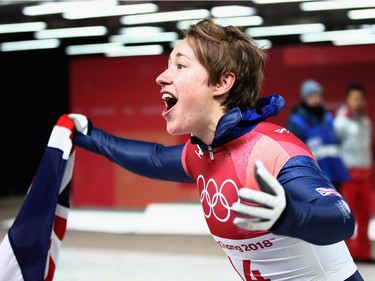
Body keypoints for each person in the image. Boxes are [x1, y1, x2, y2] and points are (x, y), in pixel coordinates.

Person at [65, 19, 363, 280]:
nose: (162, 77)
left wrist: (290, 216)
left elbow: (342, 219)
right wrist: (90, 135)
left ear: (222, 82)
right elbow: (154, 159)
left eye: (180, 65)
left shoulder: (273, 148)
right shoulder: (203, 152)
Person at [285, 79, 350, 191]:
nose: (316, 98)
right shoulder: (297, 122)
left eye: (318, 95)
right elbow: (292, 150)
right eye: (311, 95)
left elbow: (336, 143)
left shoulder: (328, 118)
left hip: (334, 172)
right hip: (314, 175)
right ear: (304, 98)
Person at [334, 82, 374, 263]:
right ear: (348, 100)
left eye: (360, 99)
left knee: (365, 214)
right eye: (354, 98)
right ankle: (346, 254)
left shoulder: (366, 122)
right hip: (348, 174)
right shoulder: (339, 122)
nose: (357, 102)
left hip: (365, 174)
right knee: (347, 215)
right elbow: (336, 149)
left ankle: (364, 252)